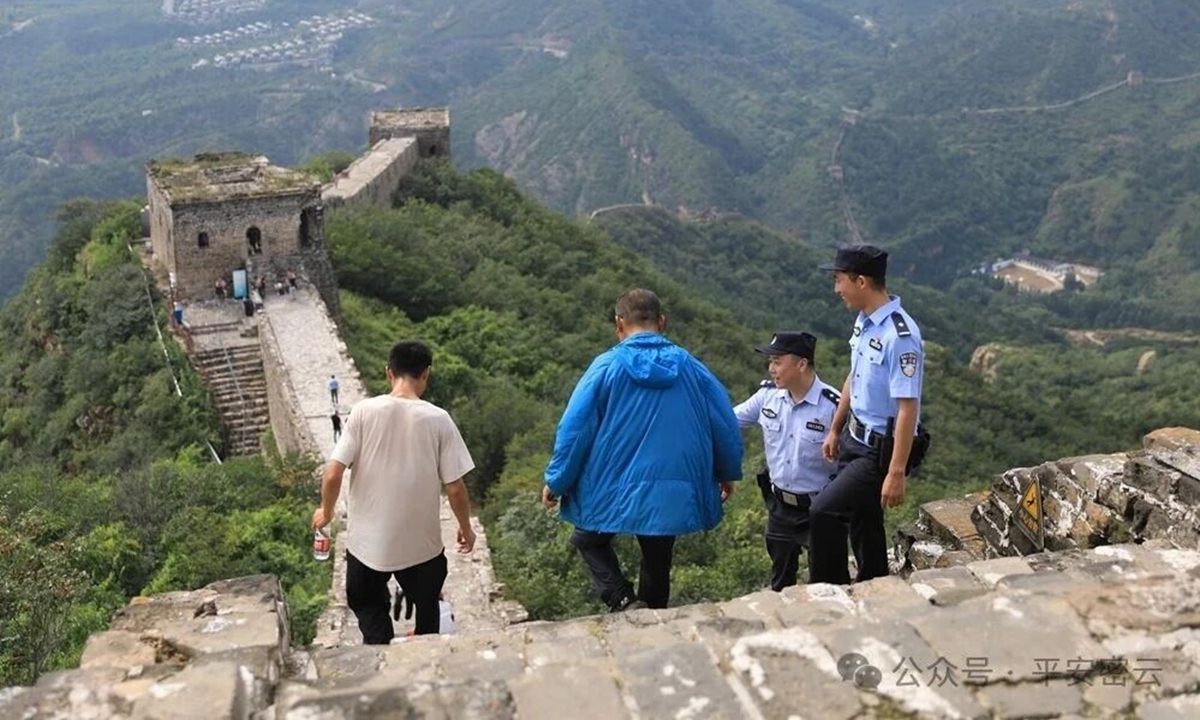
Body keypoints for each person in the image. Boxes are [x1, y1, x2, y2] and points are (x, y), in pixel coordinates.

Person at [542, 289, 743, 612]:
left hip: (610, 483)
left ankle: (622, 600)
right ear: (661, 323)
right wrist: (725, 471)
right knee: (658, 550)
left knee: (588, 539)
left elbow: (574, 429)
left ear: (619, 324)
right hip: (676, 483)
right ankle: (652, 614)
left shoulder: (605, 367)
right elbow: (724, 423)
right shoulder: (691, 368)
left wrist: (557, 481)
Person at [311, 340, 476, 644]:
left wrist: (327, 511)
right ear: (426, 374)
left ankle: (380, 656)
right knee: (428, 609)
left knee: (369, 609)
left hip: (366, 548)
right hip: (422, 549)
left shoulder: (362, 411)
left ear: (389, 373)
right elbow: (455, 489)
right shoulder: (439, 419)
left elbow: (333, 473)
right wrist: (466, 529)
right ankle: (425, 655)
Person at [809, 245, 926, 585]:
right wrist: (835, 428)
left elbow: (907, 408)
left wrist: (896, 472)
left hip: (878, 450)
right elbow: (854, 374)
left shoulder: (900, 337)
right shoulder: (864, 322)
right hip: (854, 438)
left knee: (824, 511)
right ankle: (875, 582)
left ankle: (828, 589)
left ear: (861, 281)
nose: (836, 289)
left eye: (839, 280)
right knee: (864, 518)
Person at [734, 331, 839, 591]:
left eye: (778, 361)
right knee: (780, 584)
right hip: (780, 507)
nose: (771, 369)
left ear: (801, 364)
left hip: (821, 509)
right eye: (770, 362)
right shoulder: (767, 397)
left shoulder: (833, 406)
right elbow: (725, 422)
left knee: (827, 585)